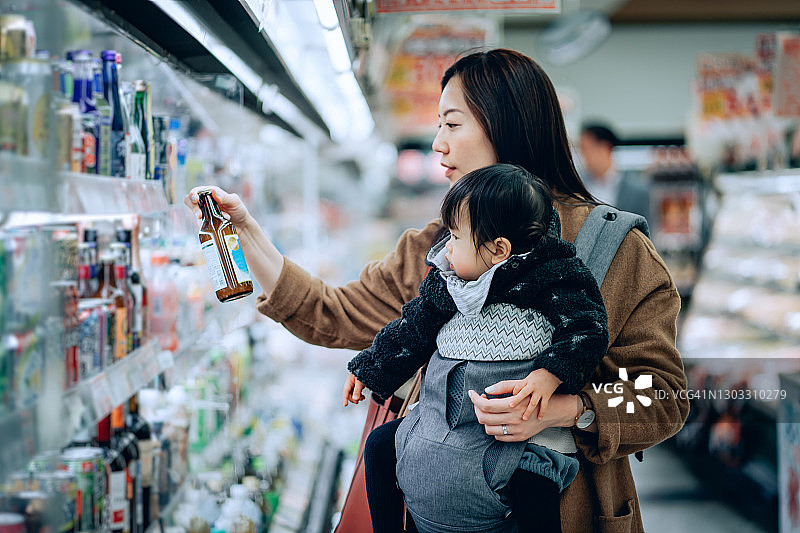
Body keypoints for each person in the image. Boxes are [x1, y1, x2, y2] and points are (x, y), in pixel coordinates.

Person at [184, 48, 688, 533]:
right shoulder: (437, 248)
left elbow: (663, 395)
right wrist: (246, 233)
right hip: (435, 510)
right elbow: (330, 311)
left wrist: (566, 410)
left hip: (569, 511)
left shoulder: (619, 251)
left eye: (452, 124)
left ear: (506, 126)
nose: (437, 145)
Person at [342, 163, 609, 533]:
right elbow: (412, 328)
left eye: (454, 236)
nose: (445, 247)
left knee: (535, 482)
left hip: (518, 438)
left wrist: (549, 376)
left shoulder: (554, 274)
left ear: (499, 249)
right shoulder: (446, 283)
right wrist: (370, 368)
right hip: (442, 424)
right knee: (380, 445)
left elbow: (587, 327)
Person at [579, 123, 652, 224]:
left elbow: (646, 232)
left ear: (604, 148)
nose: (582, 156)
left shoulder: (637, 192)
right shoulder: (577, 188)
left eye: (585, 149)